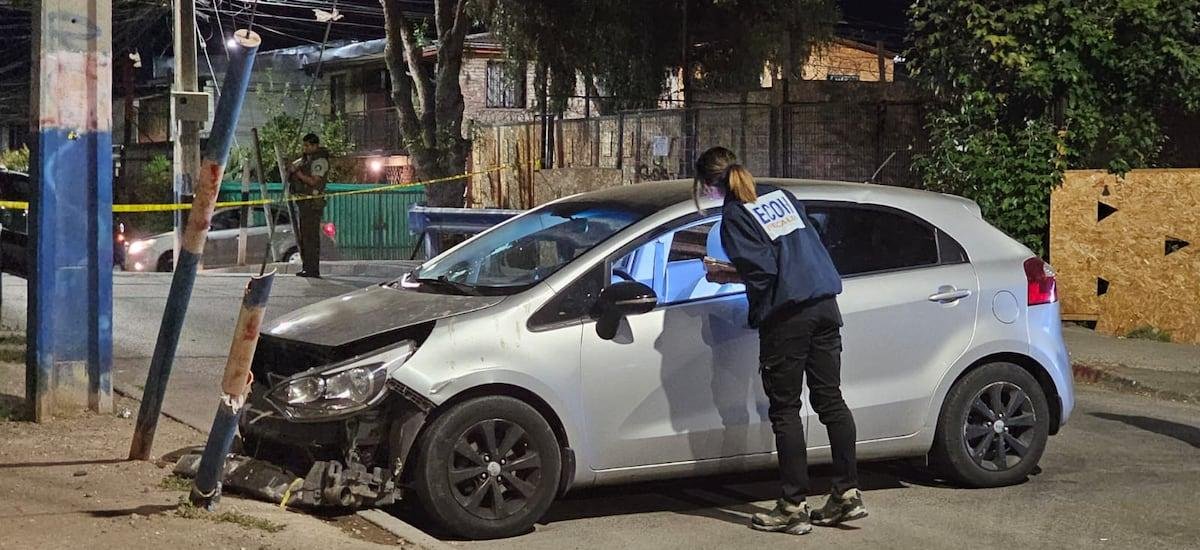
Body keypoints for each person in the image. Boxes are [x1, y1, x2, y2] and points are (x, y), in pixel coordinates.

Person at [696, 146, 866, 535]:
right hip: (824, 304)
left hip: (788, 316)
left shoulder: (734, 216)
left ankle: (792, 506)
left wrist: (727, 274)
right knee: (831, 401)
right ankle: (847, 493)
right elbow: (803, 243)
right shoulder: (779, 194)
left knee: (785, 410)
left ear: (708, 184)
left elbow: (765, 272)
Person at [287, 133, 330, 278]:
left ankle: (312, 269)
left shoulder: (320, 161)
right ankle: (307, 267)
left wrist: (298, 173)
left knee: (311, 238)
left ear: (315, 145)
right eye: (304, 145)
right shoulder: (306, 160)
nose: (304, 148)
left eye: (307, 146)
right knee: (305, 238)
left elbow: (314, 181)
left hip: (312, 204)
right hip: (304, 203)